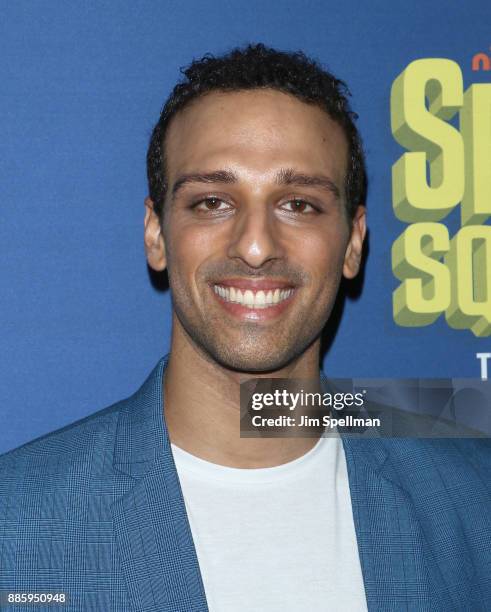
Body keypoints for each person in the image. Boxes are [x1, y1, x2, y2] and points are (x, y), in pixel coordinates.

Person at [0, 43, 490, 612]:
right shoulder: (16, 524)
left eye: (299, 204)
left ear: (353, 242)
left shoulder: (471, 500)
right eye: (213, 201)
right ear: (156, 234)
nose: (256, 246)